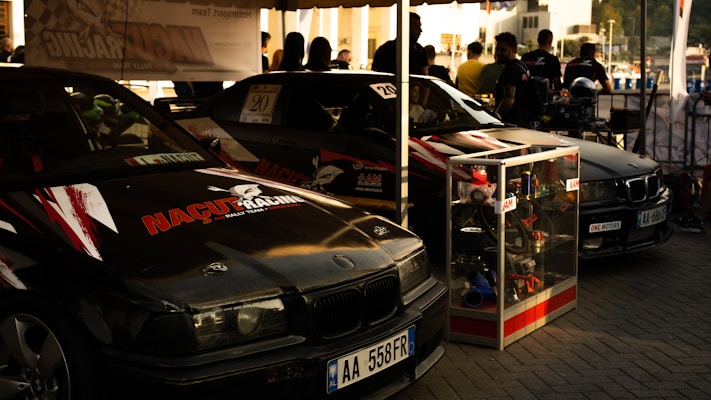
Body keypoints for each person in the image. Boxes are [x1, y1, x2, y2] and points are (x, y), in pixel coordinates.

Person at [493, 32, 530, 127]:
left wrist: (494, 118)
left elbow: (509, 100)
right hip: (523, 122)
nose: (498, 53)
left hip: (511, 124)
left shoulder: (510, 69)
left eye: (503, 50)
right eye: (497, 49)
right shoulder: (522, 66)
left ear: (514, 50)